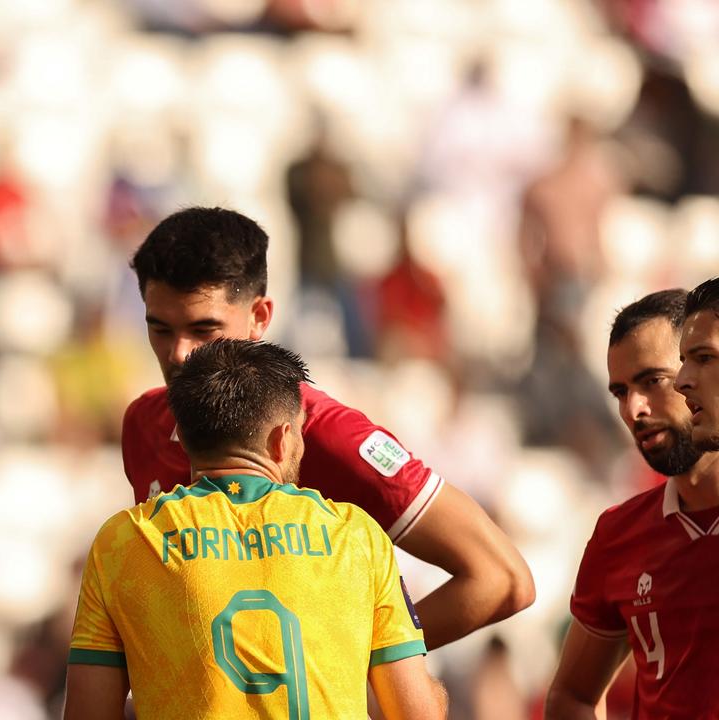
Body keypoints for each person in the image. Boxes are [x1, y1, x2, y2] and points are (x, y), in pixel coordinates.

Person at [121, 207, 533, 649]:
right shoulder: (143, 424)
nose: (180, 354)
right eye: (160, 329)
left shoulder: (327, 436)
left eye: (204, 328)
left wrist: (349, 664)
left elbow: (501, 578)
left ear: (260, 317)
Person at [65, 339, 446, 719]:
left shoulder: (126, 541)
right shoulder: (355, 536)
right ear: (282, 440)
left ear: (184, 440)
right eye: (300, 433)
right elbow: (417, 714)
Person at [546, 288, 719, 719]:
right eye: (620, 392)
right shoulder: (617, 537)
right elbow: (572, 697)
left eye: (651, 381)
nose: (632, 409)